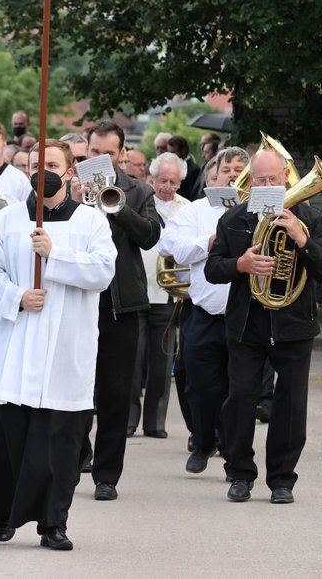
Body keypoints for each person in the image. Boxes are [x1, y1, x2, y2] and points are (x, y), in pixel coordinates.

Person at [0, 140, 116, 550]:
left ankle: (53, 523)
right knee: (7, 439)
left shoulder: (91, 222)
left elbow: (104, 271)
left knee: (59, 444)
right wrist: (17, 296)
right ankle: (3, 514)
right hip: (16, 343)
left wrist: (55, 254)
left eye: (52, 164)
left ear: (70, 171)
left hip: (65, 349)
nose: (43, 171)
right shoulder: (8, 220)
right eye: (36, 165)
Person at [205, 148, 322, 504]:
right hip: (247, 324)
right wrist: (241, 265)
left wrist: (301, 237)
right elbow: (212, 270)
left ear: (286, 178)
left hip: (294, 325)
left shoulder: (311, 218)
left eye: (272, 179)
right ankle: (240, 474)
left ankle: (282, 480)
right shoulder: (234, 219)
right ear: (251, 181)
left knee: (291, 405)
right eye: (259, 180)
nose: (267, 185)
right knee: (241, 399)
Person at [76, 120, 161, 501]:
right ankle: (78, 455)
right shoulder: (71, 190)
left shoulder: (139, 190)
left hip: (120, 306)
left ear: (122, 154)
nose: (99, 159)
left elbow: (149, 236)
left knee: (114, 394)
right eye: (93, 152)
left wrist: (116, 205)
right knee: (76, 390)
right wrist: (76, 199)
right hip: (78, 304)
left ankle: (107, 476)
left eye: (107, 153)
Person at [158, 147, 248, 475]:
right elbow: (171, 247)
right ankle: (203, 439)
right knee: (199, 385)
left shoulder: (258, 209)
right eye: (227, 169)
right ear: (213, 176)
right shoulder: (195, 210)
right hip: (203, 312)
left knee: (238, 388)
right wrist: (209, 241)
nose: (233, 174)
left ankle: (232, 452)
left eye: (241, 168)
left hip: (244, 315)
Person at [128, 153, 189, 439]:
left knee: (162, 361)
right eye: (163, 180)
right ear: (152, 178)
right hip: (138, 290)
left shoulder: (187, 208)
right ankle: (129, 420)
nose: (167, 186)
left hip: (168, 294)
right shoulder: (140, 200)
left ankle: (155, 422)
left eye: (173, 182)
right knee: (133, 359)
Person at [167, 135, 203, 201]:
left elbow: (192, 195)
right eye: (169, 152)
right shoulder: (173, 166)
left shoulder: (194, 170)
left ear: (183, 150)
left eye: (173, 152)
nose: (171, 156)